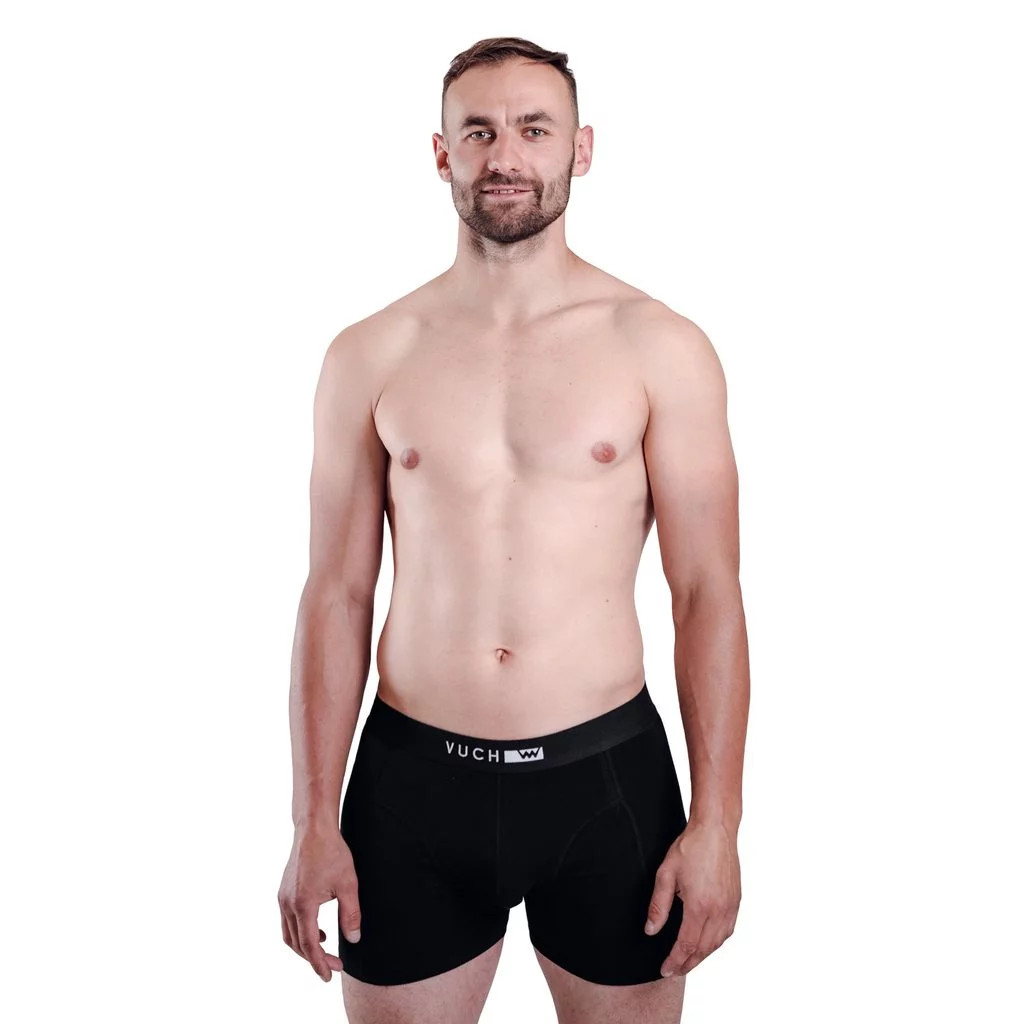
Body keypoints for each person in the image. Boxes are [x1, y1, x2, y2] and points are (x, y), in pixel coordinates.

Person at [277, 35, 749, 1024]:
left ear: (581, 148)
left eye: (534, 129)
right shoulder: (369, 353)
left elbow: (706, 592)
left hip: (606, 780)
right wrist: (311, 818)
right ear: (440, 153)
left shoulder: (659, 346)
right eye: (479, 131)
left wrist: (718, 824)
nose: (506, 155)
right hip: (411, 784)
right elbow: (336, 594)